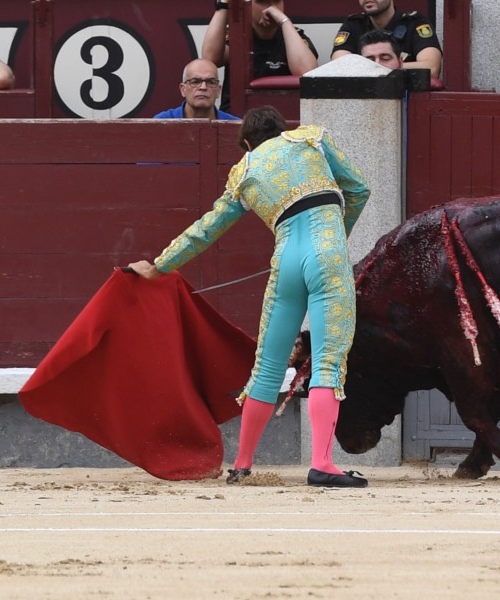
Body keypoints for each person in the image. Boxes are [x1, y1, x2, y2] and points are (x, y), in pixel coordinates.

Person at [127, 106, 371, 489]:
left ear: (245, 144)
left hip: (286, 261)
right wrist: (338, 235)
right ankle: (322, 463)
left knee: (268, 365)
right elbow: (358, 188)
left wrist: (160, 265)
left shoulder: (243, 172)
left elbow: (207, 228)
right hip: (327, 253)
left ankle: (241, 464)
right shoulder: (313, 139)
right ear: (283, 128)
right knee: (328, 360)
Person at [202, 0, 318, 109]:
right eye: (262, 1)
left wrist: (284, 21)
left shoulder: (293, 36)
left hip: (283, 119)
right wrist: (223, 5)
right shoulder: (237, 35)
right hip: (240, 119)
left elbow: (307, 73)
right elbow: (210, 60)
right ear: (248, 5)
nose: (271, 7)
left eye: (277, 1)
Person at [331, 0, 441, 80]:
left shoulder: (414, 23)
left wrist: (371, 68)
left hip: (405, 100)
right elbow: (339, 65)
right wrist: (390, 67)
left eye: (385, 58)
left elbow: (431, 69)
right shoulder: (353, 24)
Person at [154, 59, 239, 120]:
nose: (203, 87)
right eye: (195, 82)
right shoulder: (162, 122)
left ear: (218, 90)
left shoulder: (235, 126)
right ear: (183, 89)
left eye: (210, 82)